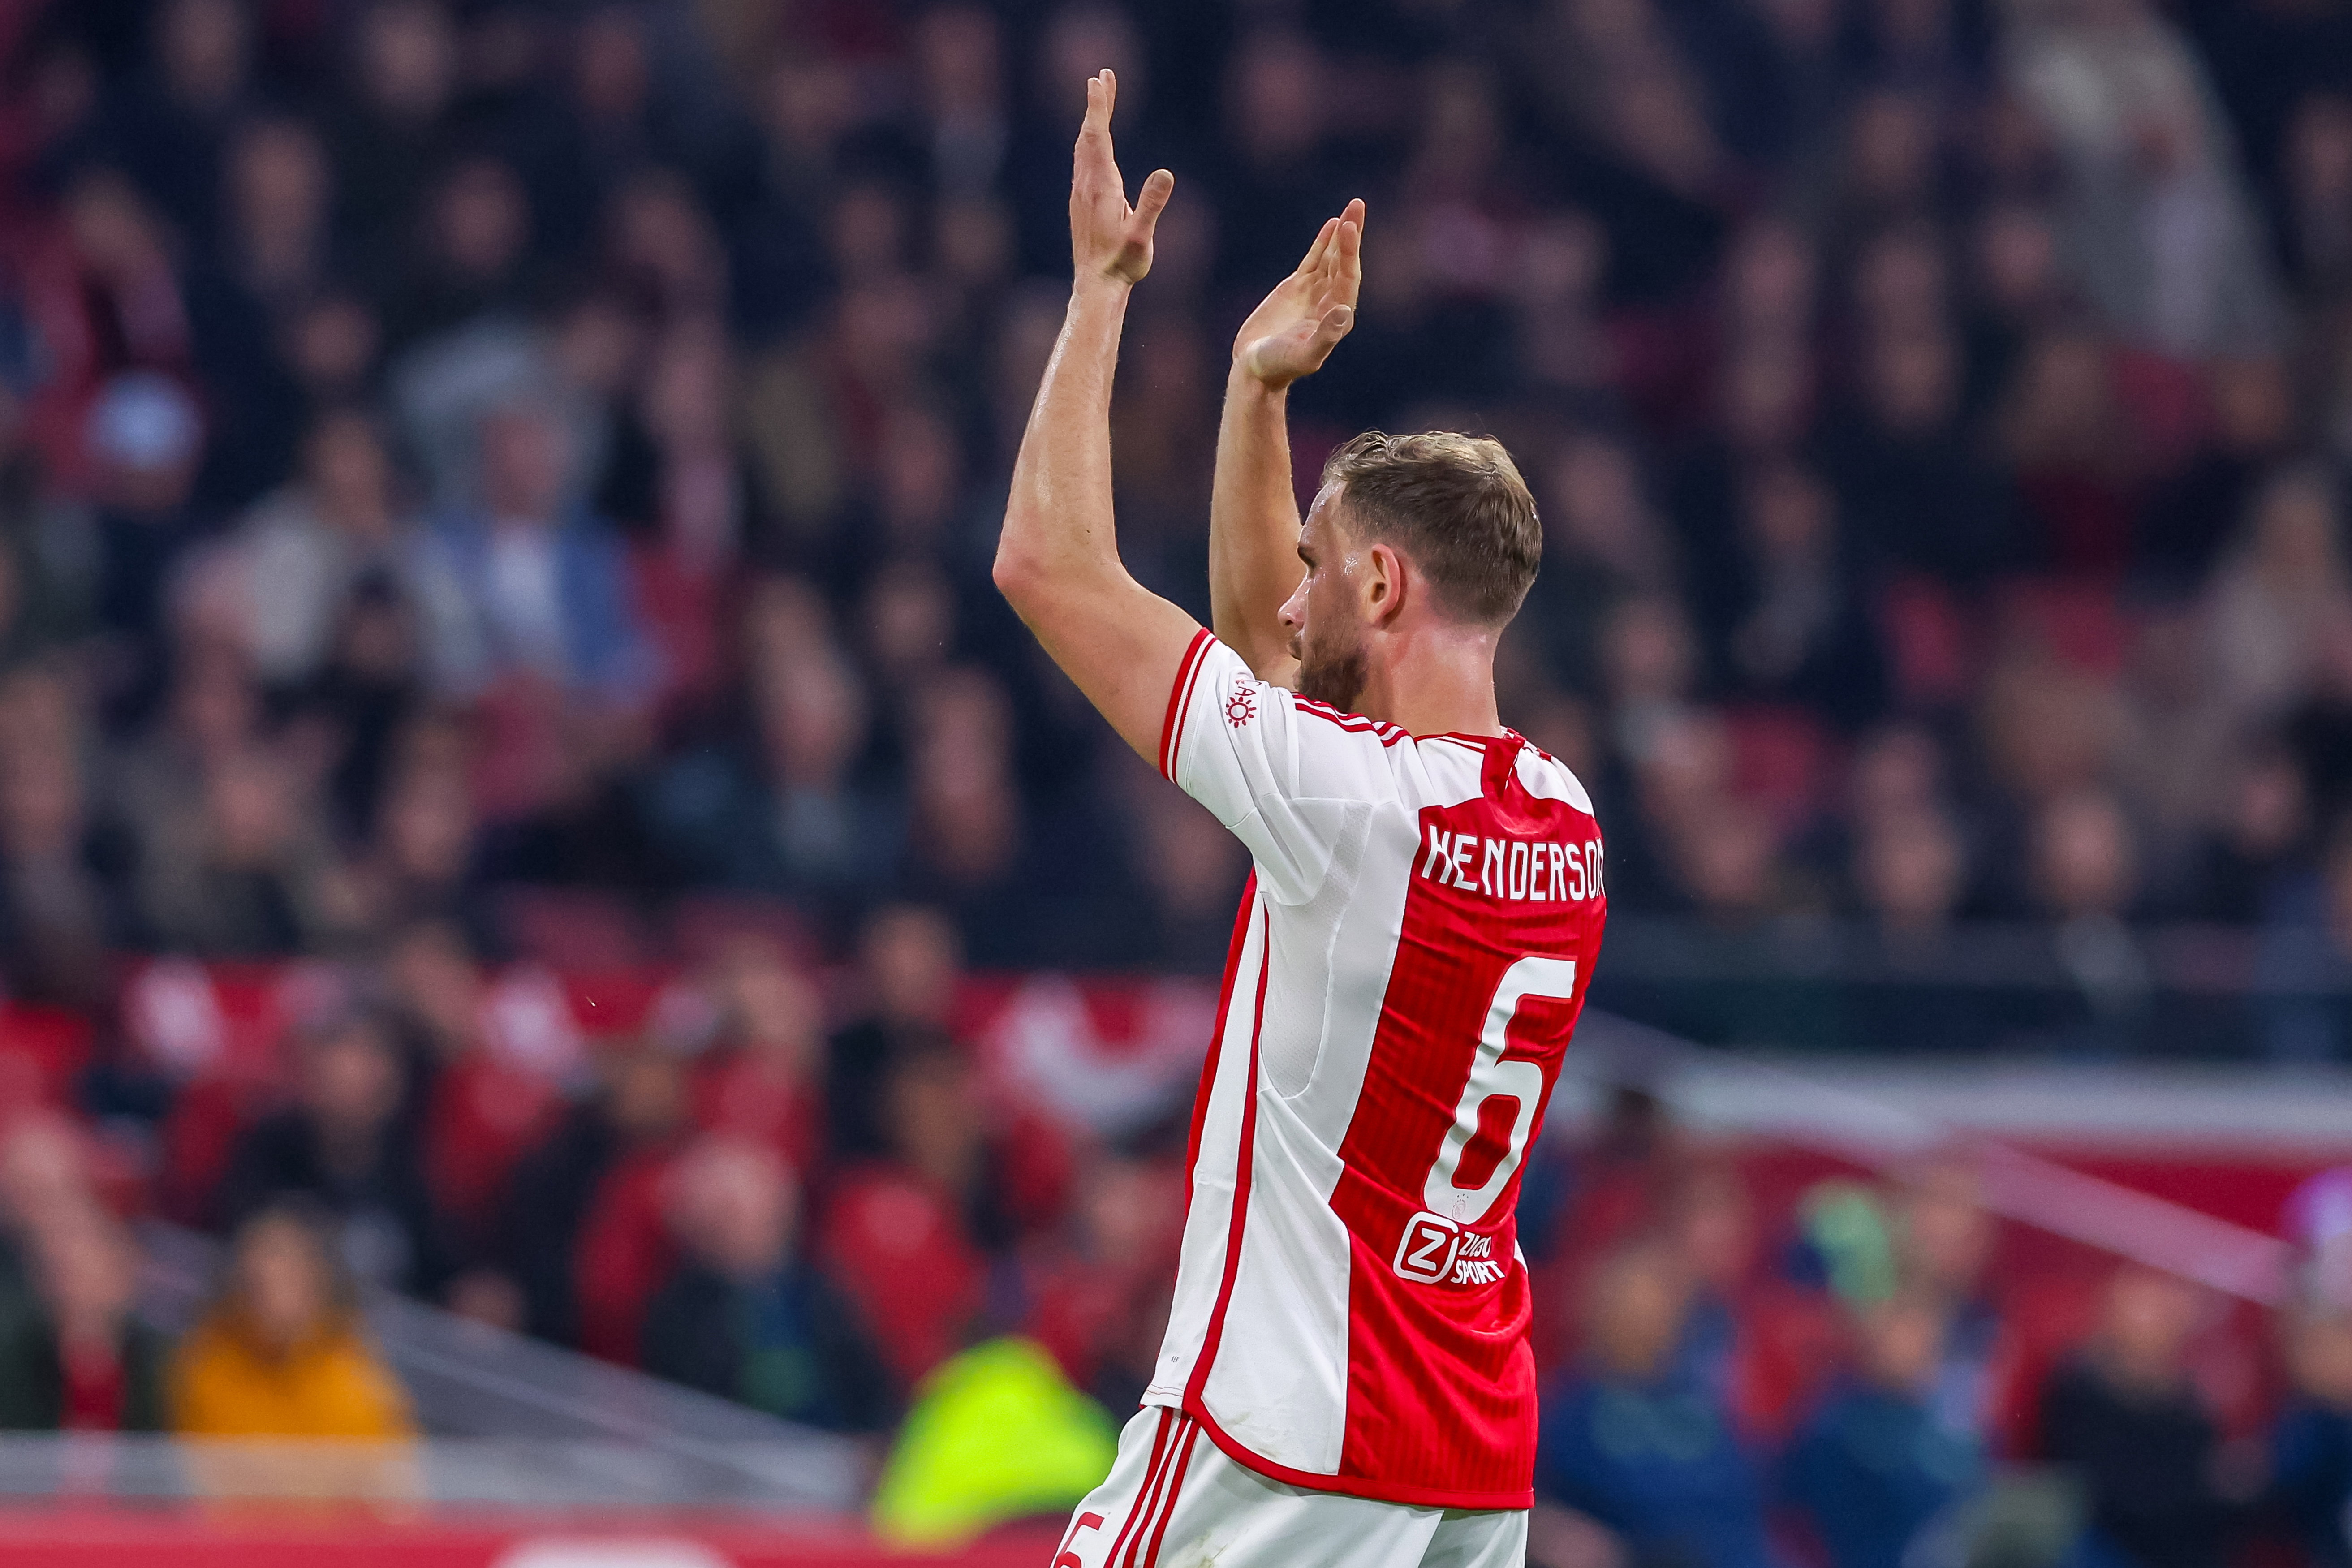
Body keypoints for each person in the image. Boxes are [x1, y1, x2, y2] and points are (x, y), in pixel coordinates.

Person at [999, 75, 1603, 1568]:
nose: (1292, 591)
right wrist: (1256, 392)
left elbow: (1047, 569)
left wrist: (1098, 294)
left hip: (1279, 1435)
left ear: (1387, 590)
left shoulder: (1353, 807)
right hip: (1467, 1454)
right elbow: (1284, 666)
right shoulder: (1564, 821)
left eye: (1323, 564)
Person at [639, 1137, 893, 1433]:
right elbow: (689, 1407)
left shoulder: (820, 1291)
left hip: (832, 1448)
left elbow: (868, 1383)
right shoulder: (681, 1311)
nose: (749, 1228)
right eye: (728, 1216)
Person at [169, 1202, 415, 1439]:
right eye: (256, 1283)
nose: (267, 1292)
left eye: (286, 1274)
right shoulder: (209, 1364)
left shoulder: (358, 1378)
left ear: (318, 1279)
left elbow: (389, 1470)